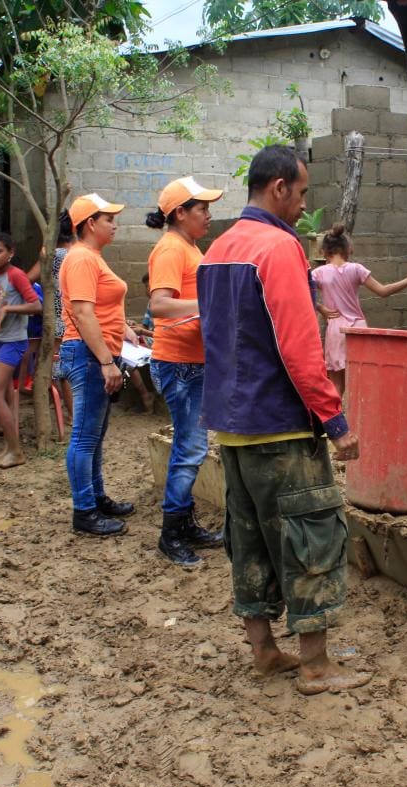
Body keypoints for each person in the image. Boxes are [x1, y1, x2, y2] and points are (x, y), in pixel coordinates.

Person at [197, 145, 369, 695]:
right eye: (300, 193)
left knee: (248, 539)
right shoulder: (278, 247)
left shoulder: (218, 248)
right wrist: (336, 422)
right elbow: (300, 348)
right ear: (277, 188)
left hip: (233, 426)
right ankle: (317, 666)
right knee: (310, 537)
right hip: (281, 425)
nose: (302, 205)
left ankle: (265, 650)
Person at [145, 176, 226, 567]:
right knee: (191, 448)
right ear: (180, 213)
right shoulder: (171, 249)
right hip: (179, 364)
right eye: (202, 209)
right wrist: (209, 303)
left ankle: (185, 522)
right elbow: (160, 305)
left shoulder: (190, 246)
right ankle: (171, 533)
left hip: (192, 363)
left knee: (190, 446)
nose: (209, 215)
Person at [59, 193, 136, 536]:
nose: (115, 225)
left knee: (95, 433)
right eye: (109, 219)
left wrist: (125, 330)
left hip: (98, 351)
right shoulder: (81, 259)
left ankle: (96, 496)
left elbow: (100, 306)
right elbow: (82, 311)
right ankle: (84, 510)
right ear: (90, 223)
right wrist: (106, 361)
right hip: (90, 354)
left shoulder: (91, 257)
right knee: (85, 435)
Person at [313, 223, 407, 396]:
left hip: (336, 329)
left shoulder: (319, 273)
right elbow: (383, 291)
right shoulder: (356, 269)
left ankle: (337, 422)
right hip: (359, 329)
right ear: (348, 248)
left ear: (325, 252)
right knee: (362, 382)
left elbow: (301, 290)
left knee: (336, 386)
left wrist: (321, 308)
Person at [0, 232, 41, 469]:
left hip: (13, 342)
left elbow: (36, 305)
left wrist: (9, 310)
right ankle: (8, 448)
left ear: (11, 252)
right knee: (3, 394)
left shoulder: (16, 275)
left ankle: (16, 452)